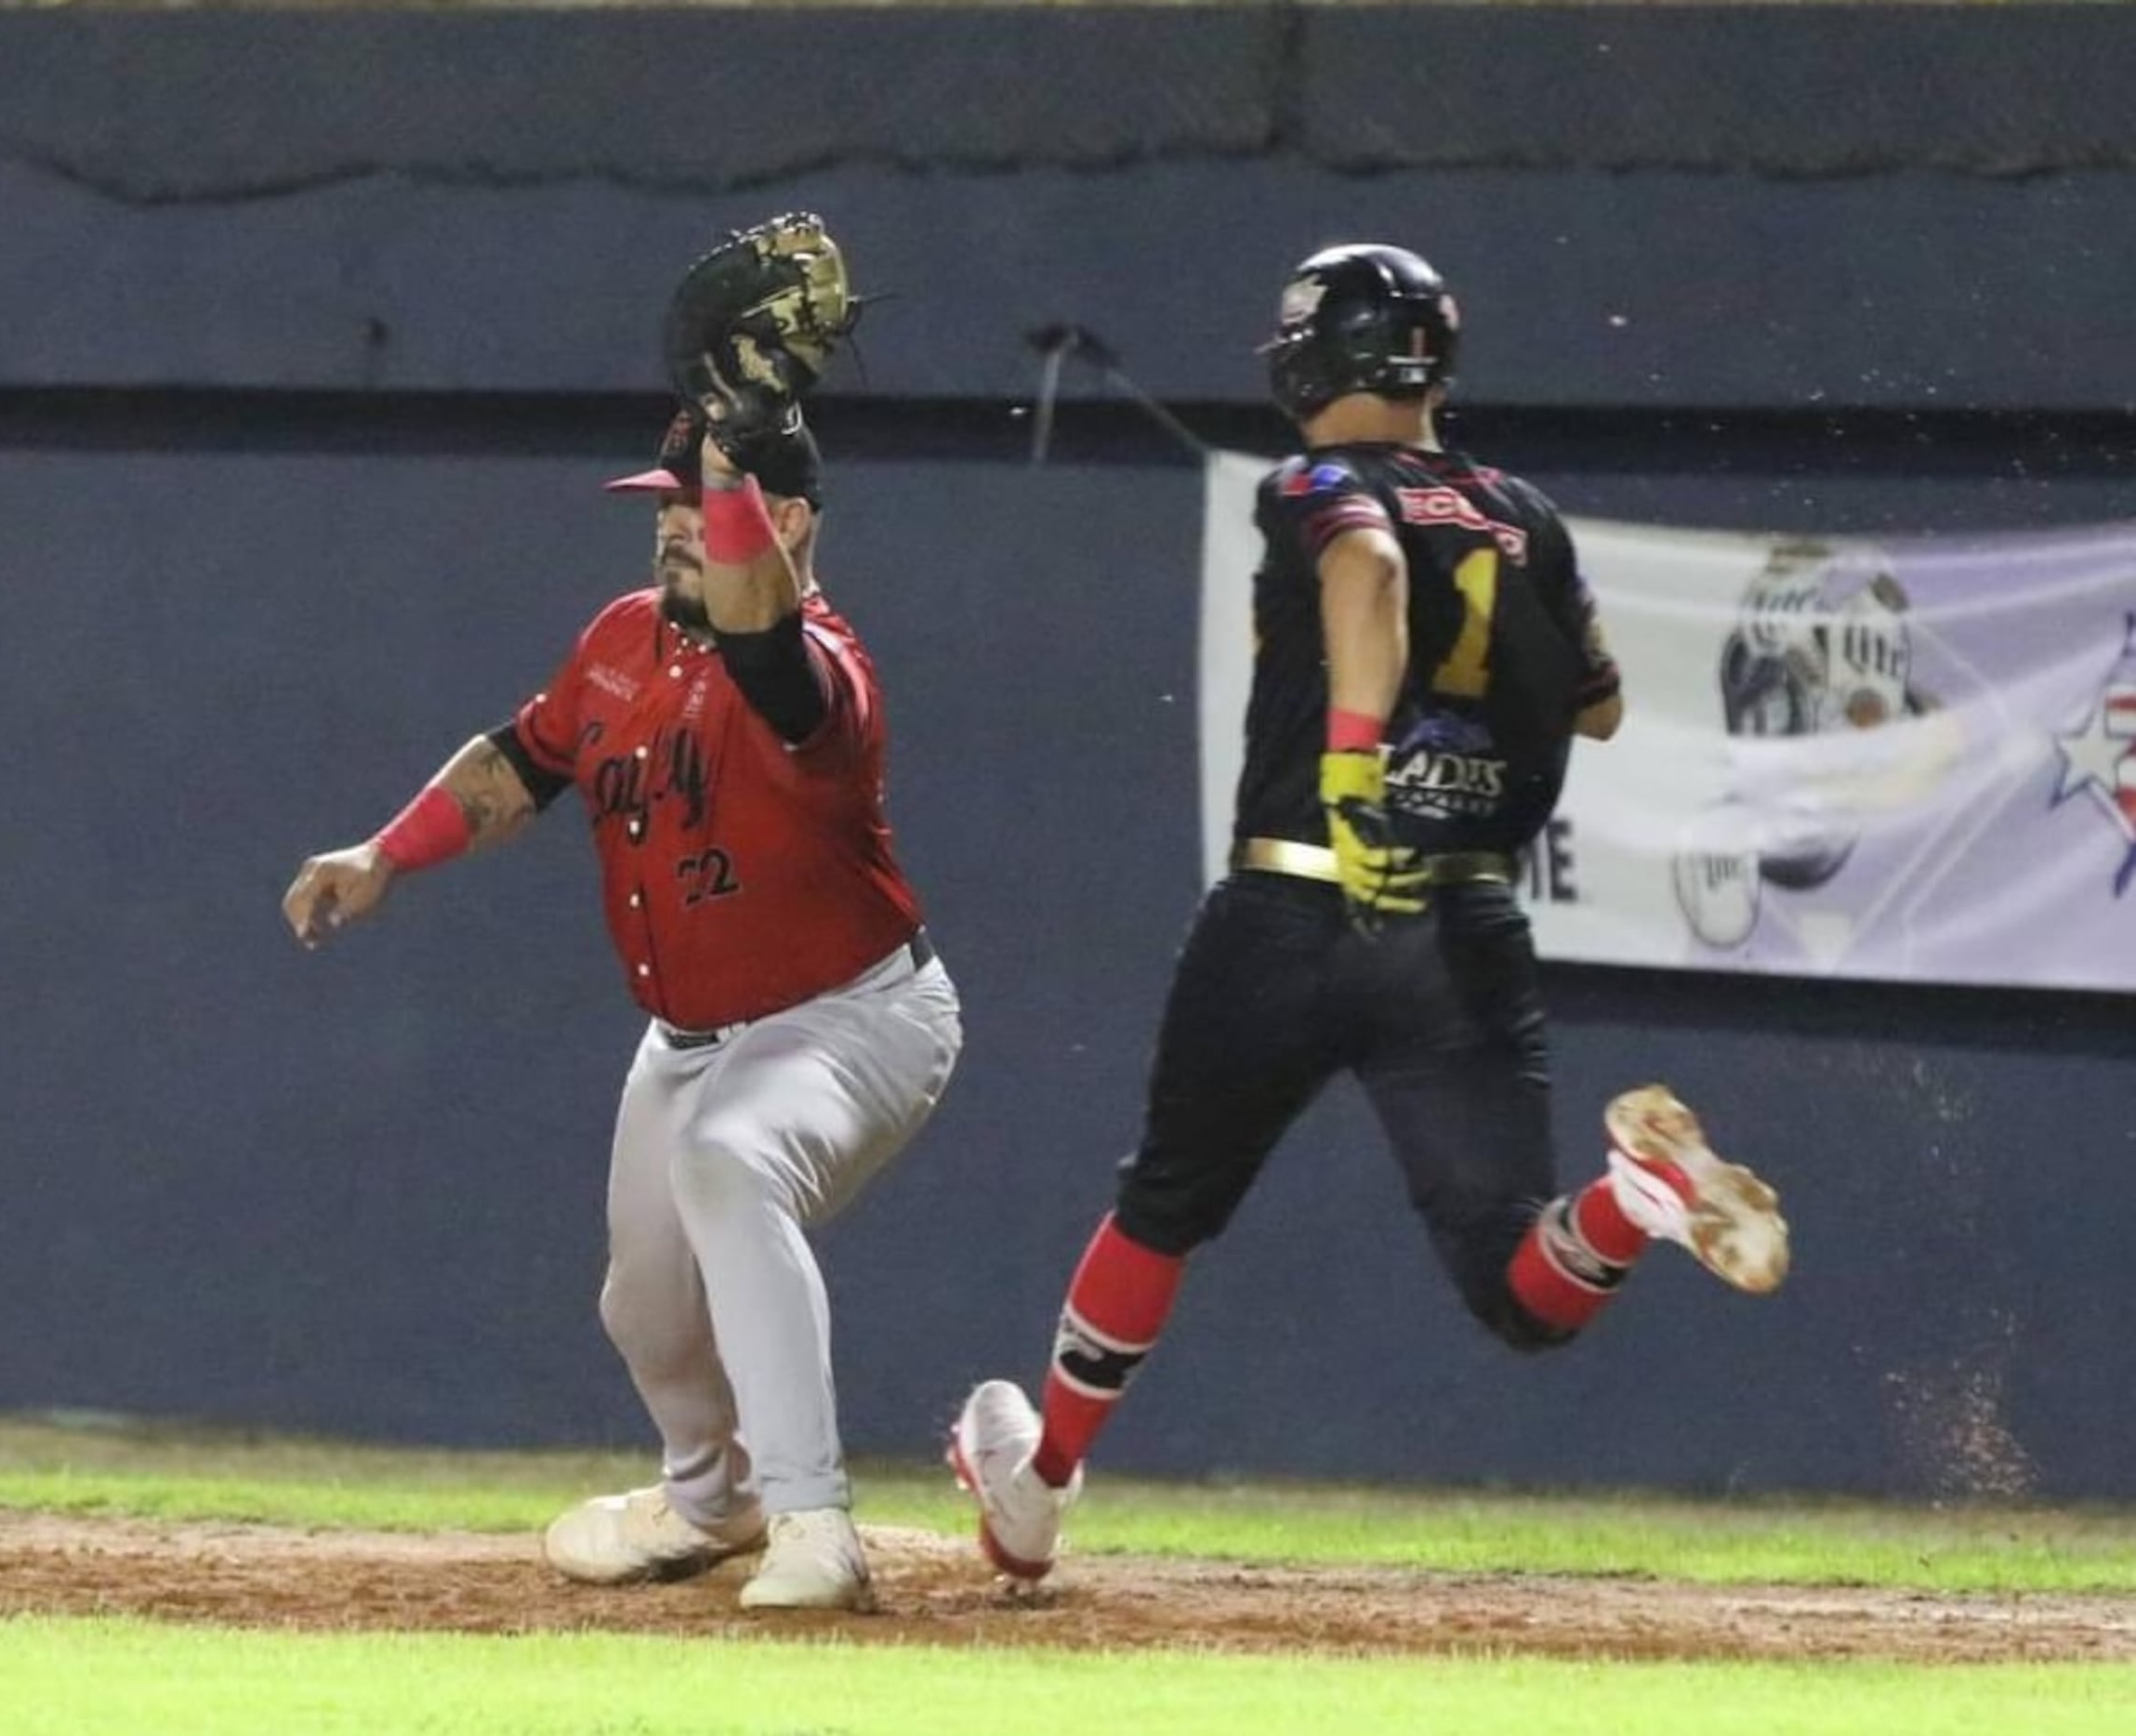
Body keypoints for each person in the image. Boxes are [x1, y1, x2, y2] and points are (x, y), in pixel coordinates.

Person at [948, 243, 1790, 1582]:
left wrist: (1352, 760)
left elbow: (1372, 573)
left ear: (1314, 357)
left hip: (1298, 901)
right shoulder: (1530, 511)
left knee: (1164, 1207)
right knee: (1523, 1287)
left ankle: (1041, 1484)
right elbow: (1603, 703)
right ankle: (1636, 1202)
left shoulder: (1318, 483)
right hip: (1462, 931)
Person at [284, 405, 962, 1611]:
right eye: (667, 502)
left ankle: (815, 1521)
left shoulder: (820, 669)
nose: (672, 527)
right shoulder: (623, 638)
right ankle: (711, 1500)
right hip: (689, 1034)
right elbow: (529, 756)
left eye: (703, 502)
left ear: (788, 520)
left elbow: (770, 660)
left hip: (852, 1016)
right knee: (642, 1304)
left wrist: (742, 502)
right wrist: (387, 850)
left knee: (729, 1164)